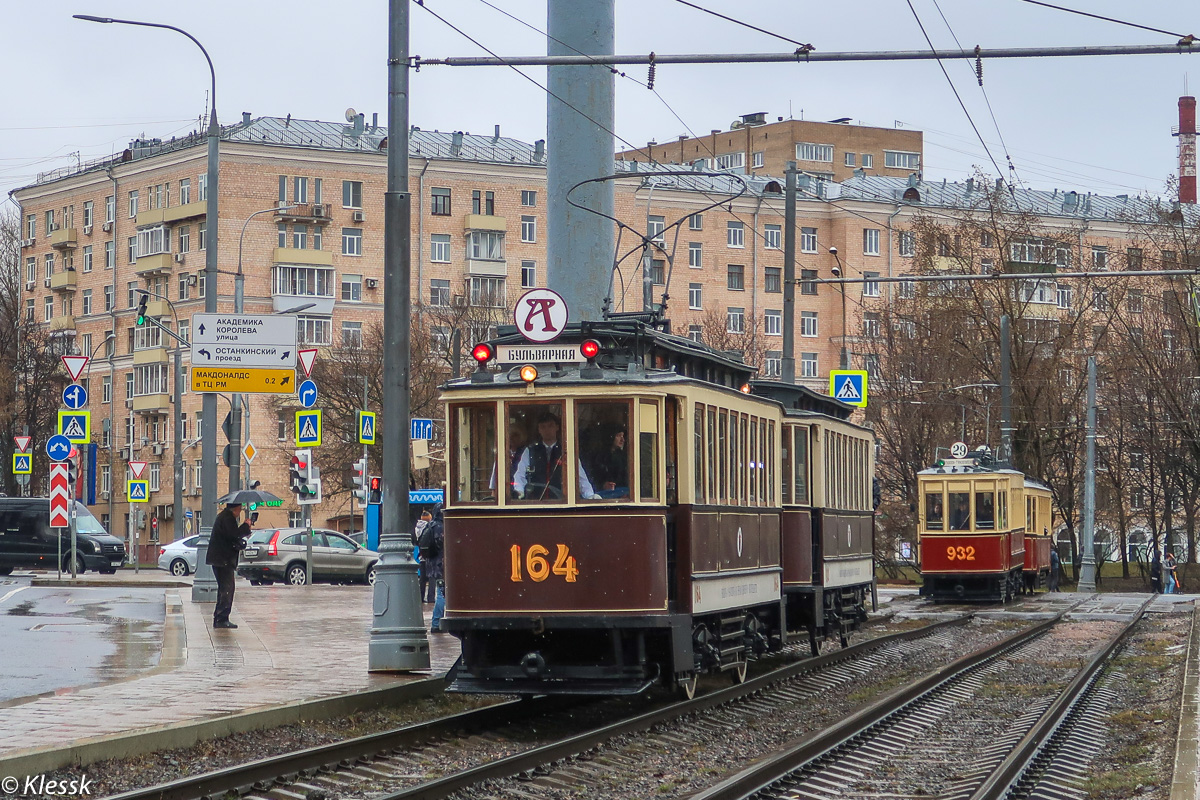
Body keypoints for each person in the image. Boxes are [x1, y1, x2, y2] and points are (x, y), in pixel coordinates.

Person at [513, 411, 597, 499]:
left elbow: (580, 477)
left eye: (550, 426)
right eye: (543, 427)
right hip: (536, 503)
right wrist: (519, 493)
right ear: (539, 430)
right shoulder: (530, 451)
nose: (547, 430)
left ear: (557, 427)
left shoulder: (566, 451)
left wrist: (590, 496)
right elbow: (520, 475)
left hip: (561, 503)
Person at [207, 501, 252, 629]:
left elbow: (232, 537)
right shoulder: (227, 518)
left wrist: (244, 530)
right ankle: (221, 619)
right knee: (227, 589)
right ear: (236, 508)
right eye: (240, 508)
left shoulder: (224, 517)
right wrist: (245, 525)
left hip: (220, 559)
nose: (241, 511)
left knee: (224, 589)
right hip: (223, 560)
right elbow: (234, 535)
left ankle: (220, 617)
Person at [588, 426, 629, 499]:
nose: (622, 440)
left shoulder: (624, 457)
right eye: (618, 436)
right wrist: (603, 485)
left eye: (623, 436)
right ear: (611, 437)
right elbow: (591, 477)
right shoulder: (598, 456)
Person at [427, 505, 447, 632]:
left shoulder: (431, 525)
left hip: (432, 564)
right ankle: (436, 623)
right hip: (440, 565)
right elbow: (443, 544)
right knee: (442, 594)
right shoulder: (439, 527)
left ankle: (437, 622)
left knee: (440, 592)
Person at [413, 510, 433, 602]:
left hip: (422, 556)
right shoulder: (430, 527)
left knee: (422, 579)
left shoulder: (417, 528)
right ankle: (431, 598)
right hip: (430, 556)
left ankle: (421, 597)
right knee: (432, 578)